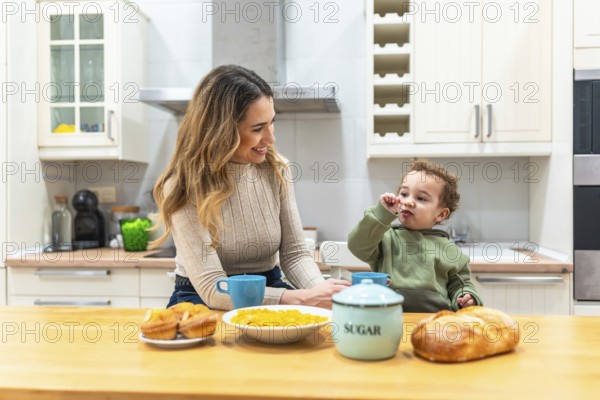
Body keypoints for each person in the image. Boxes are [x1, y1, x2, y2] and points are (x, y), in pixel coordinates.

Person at [151, 65, 350, 310]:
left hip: (272, 287)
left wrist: (320, 293)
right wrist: (297, 298)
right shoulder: (183, 185)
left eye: (271, 123)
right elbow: (214, 288)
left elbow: (295, 254)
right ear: (221, 131)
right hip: (200, 297)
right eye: (257, 129)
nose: (271, 138)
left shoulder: (276, 169)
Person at [347, 159, 482, 312]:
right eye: (404, 194)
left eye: (420, 198)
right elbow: (357, 245)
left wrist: (466, 297)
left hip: (435, 321)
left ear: (441, 214)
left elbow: (460, 285)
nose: (408, 202)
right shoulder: (384, 238)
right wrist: (381, 214)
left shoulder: (451, 251)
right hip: (387, 318)